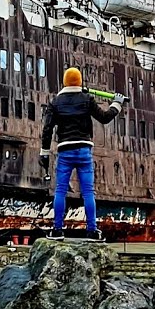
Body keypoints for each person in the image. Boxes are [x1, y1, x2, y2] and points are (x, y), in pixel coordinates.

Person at [40, 67, 126, 241]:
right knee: (88, 192)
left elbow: (47, 129)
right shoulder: (87, 99)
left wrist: (45, 152)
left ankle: (57, 230)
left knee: (60, 190)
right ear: (79, 82)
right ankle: (92, 231)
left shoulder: (55, 102)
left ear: (65, 82)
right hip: (84, 150)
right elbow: (104, 117)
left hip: (65, 151)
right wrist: (117, 103)